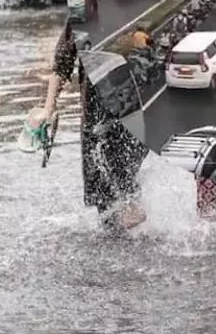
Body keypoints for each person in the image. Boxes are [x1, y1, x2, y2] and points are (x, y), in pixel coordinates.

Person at [39, 21, 149, 232]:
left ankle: (132, 212)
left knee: (126, 171)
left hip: (129, 111)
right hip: (94, 116)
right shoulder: (77, 24)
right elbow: (60, 68)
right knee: (101, 189)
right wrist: (48, 108)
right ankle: (117, 232)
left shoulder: (135, 23)